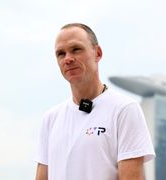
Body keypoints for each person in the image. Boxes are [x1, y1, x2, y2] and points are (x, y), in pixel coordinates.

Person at [34, 23, 155, 180]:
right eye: (61, 54)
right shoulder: (51, 118)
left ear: (97, 53)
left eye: (76, 49)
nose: (68, 59)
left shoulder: (124, 109)